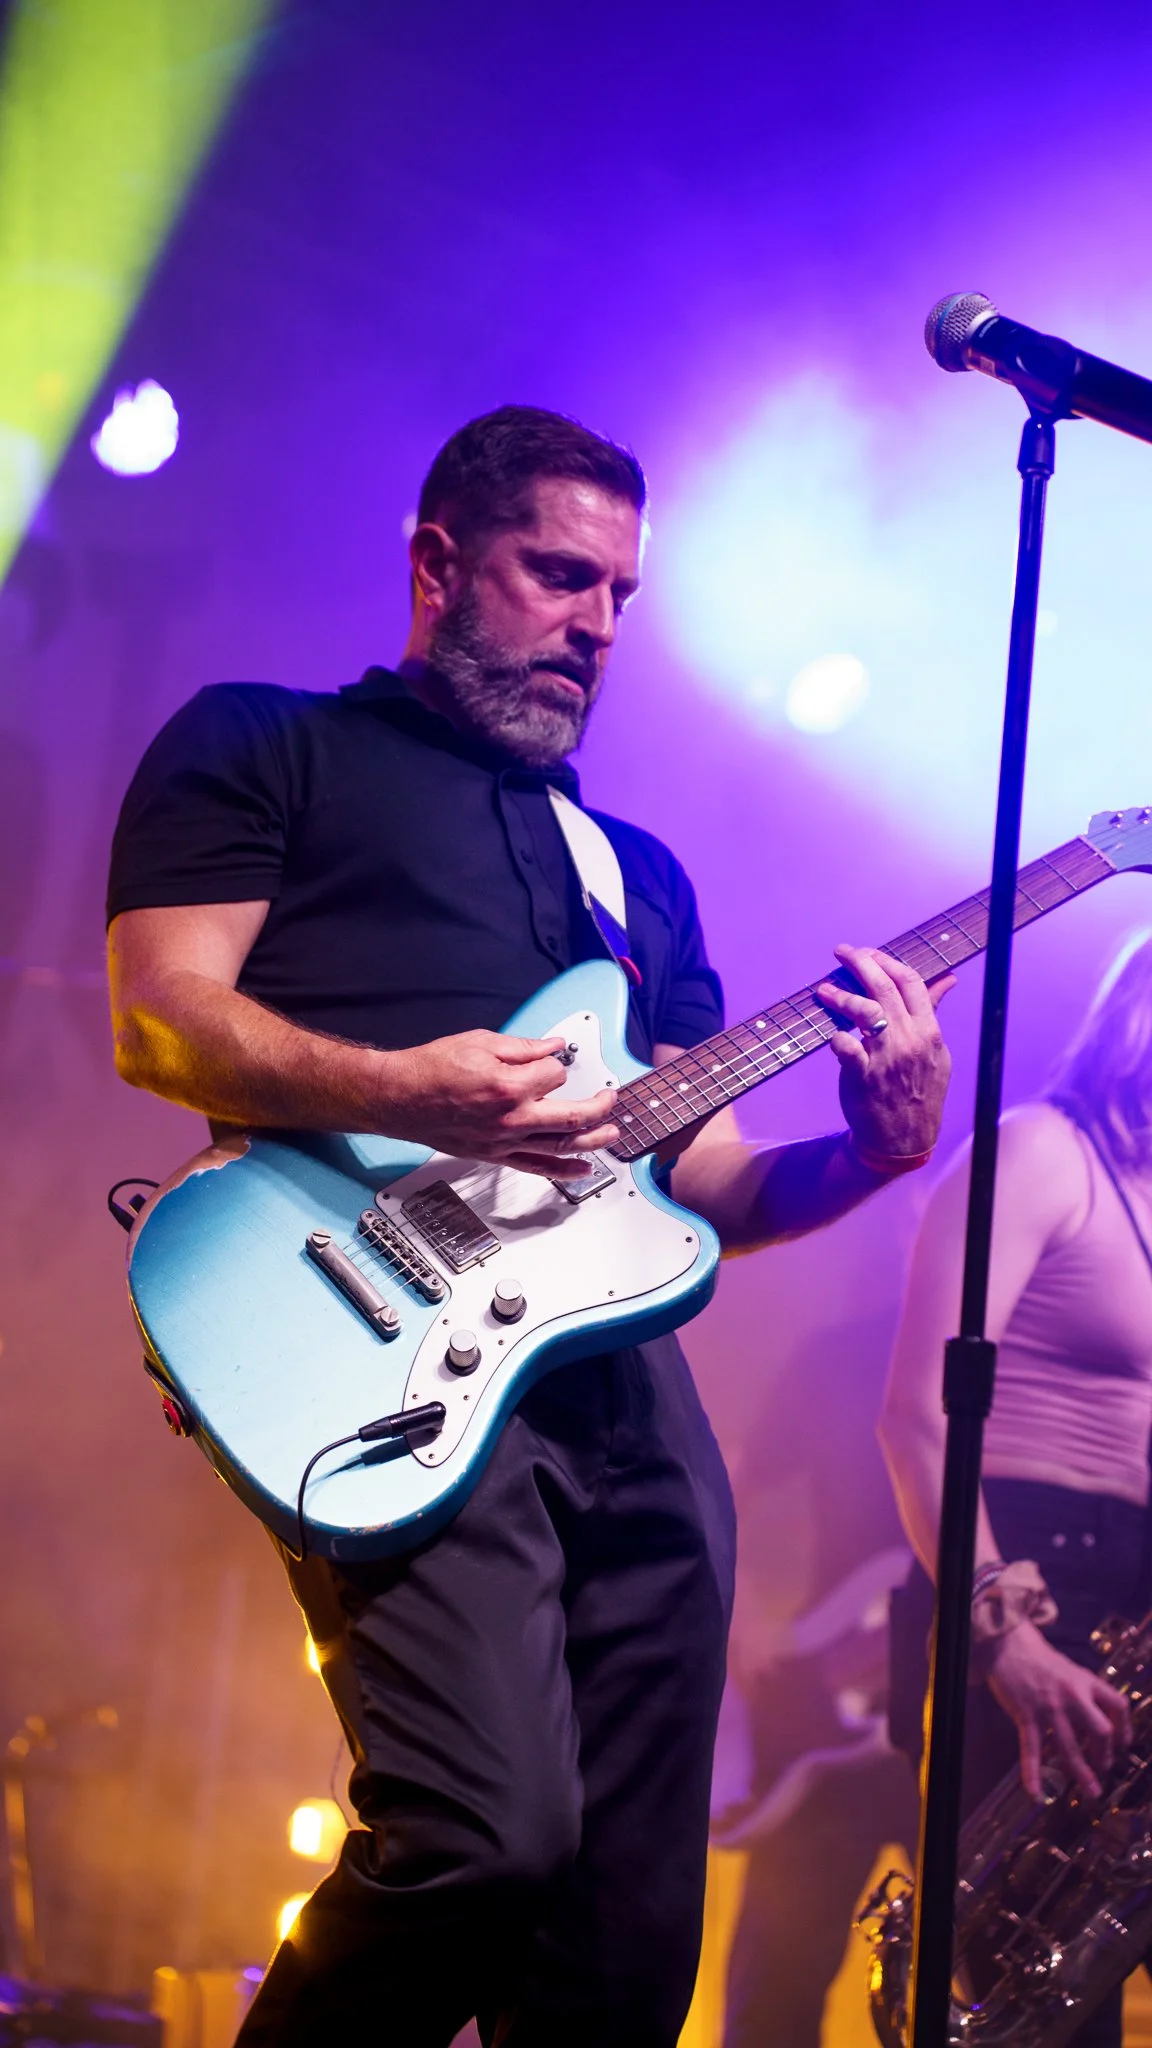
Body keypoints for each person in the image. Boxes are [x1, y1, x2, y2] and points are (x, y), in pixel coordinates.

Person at [106, 405, 951, 2048]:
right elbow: (159, 1019)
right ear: (436, 564)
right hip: (379, 1342)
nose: (597, 625)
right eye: (560, 575)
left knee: (627, 1934)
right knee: (479, 1838)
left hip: (621, 1395)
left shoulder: (629, 873)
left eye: (622, 595)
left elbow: (706, 1183)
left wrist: (870, 1153)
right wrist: (416, 1088)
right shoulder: (267, 744)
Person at [880, 931, 1152, 2048]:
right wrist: (1002, 1629)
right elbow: (915, 1410)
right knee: (1031, 1997)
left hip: (1134, 1586)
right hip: (1023, 1565)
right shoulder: (1042, 1151)